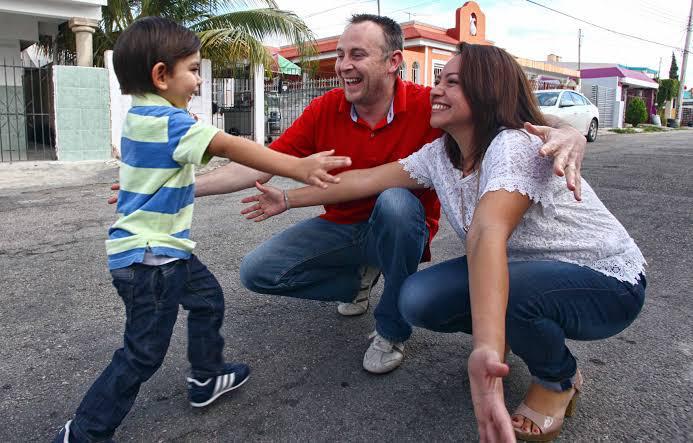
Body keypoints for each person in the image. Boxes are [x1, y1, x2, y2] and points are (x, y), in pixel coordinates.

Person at [109, 14, 586, 375]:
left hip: (399, 227)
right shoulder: (325, 108)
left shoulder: (432, 106)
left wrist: (570, 132)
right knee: (258, 272)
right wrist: (174, 183)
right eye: (340, 55)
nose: (343, 66)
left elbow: (508, 108)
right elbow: (257, 160)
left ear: (393, 62)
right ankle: (362, 277)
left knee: (397, 204)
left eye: (357, 55)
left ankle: (391, 328)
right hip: (341, 228)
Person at [240, 43, 647, 442]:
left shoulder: (513, 145)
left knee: (515, 293)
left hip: (606, 283)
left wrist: (485, 350)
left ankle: (558, 378)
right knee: (418, 298)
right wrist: (289, 197)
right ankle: (520, 335)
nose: (436, 90)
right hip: (526, 273)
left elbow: (488, 234)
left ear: (487, 91)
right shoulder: (440, 154)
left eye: (452, 82)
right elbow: (362, 180)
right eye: (438, 80)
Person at [53, 17, 350, 443]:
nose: (197, 80)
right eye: (192, 69)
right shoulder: (175, 125)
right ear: (161, 75)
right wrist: (298, 167)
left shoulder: (141, 115)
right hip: (154, 260)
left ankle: (207, 376)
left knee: (207, 299)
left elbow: (168, 163)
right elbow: (231, 146)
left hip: (159, 253)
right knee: (142, 354)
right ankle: (83, 432)